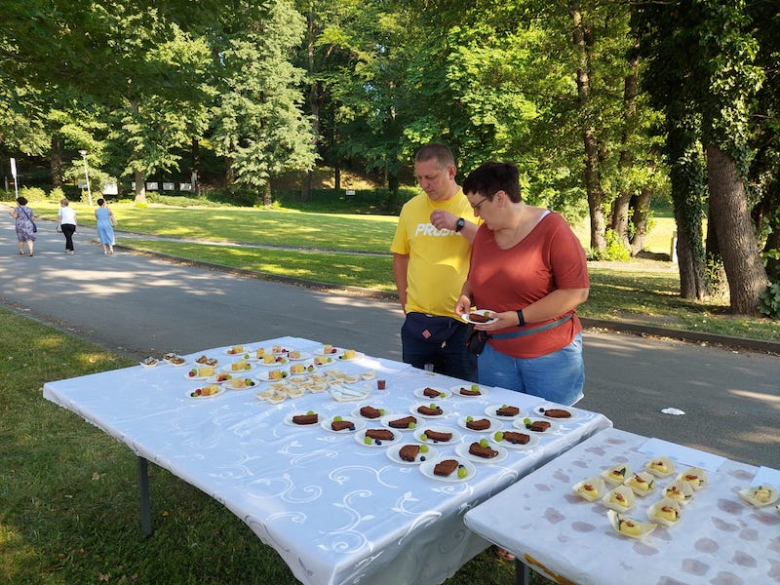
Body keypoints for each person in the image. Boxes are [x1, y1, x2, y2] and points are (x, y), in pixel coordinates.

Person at [455, 161, 590, 406]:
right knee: (498, 426)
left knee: (550, 429)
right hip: (495, 355)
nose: (475, 215)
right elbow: (475, 276)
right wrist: (466, 295)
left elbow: (576, 292)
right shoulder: (485, 233)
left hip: (549, 356)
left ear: (500, 198)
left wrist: (518, 317)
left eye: (477, 206)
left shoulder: (553, 229)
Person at [390, 143, 480, 381]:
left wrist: (459, 224)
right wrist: (405, 303)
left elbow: (491, 247)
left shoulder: (472, 206)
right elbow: (401, 257)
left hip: (461, 322)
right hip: (417, 320)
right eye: (419, 177)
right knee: (414, 392)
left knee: (462, 395)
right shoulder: (411, 208)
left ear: (451, 172)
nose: (424, 184)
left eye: (430, 177)